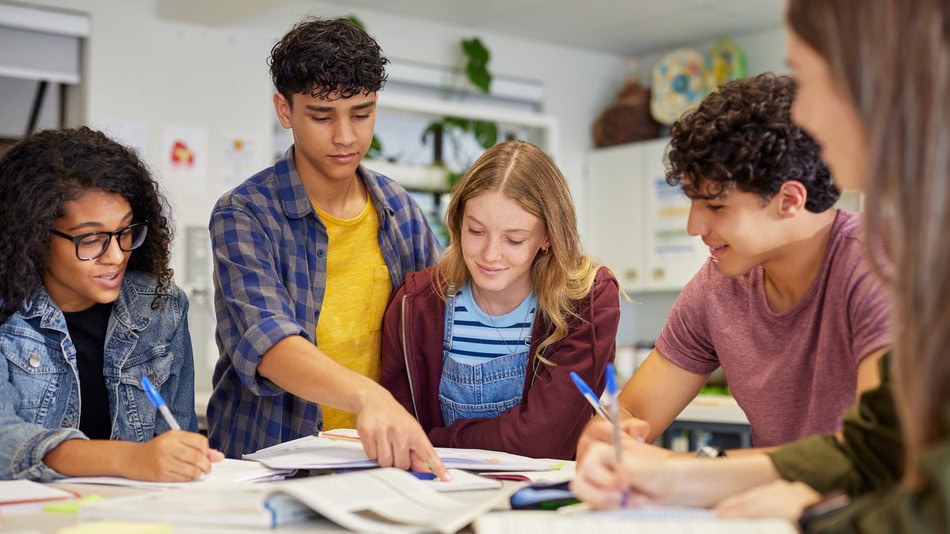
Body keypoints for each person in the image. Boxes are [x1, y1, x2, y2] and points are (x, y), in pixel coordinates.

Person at [574, 0, 950, 529]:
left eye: (716, 205)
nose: (803, 117)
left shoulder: (885, 264)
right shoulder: (719, 284)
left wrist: (810, 515)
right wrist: (631, 451)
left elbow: (904, 479)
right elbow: (876, 445)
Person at [578, 73, 891, 454]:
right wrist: (609, 435)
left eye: (716, 206)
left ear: (789, 200)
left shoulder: (877, 265)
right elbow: (631, 411)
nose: (694, 227)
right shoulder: (717, 287)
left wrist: (689, 475)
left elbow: (878, 448)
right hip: (774, 509)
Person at [206, 17, 447, 477]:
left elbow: (439, 328)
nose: (346, 137)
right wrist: (368, 395)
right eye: (321, 116)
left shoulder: (400, 210)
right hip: (268, 464)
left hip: (374, 463)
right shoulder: (244, 213)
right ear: (284, 110)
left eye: (362, 113)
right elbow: (271, 346)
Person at [0, 127, 222, 482]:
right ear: (34, 237)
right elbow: (4, 442)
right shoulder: (8, 318)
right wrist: (128, 459)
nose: (117, 255)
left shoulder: (160, 309)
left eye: (125, 231)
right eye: (91, 239)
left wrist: (185, 458)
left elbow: (175, 438)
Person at [380, 141, 620, 460]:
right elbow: (398, 430)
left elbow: (542, 440)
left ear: (548, 237)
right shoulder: (416, 304)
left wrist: (432, 441)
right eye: (476, 231)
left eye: (514, 239)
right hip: (441, 496)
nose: (490, 255)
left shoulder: (585, 299)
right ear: (457, 222)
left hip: (541, 503)